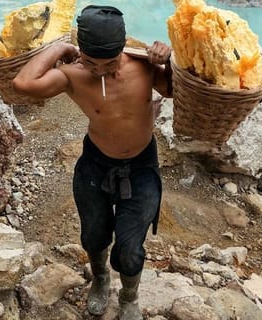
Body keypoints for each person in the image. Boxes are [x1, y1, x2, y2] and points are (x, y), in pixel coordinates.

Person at [13, 4, 172, 319]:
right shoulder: (72, 76)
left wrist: (166, 62)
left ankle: (129, 298)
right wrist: (61, 47)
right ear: (81, 53)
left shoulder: (142, 66)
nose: (100, 71)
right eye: (91, 63)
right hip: (95, 164)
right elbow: (23, 84)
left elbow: (170, 89)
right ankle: (99, 279)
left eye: (109, 63)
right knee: (94, 234)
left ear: (122, 52)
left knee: (130, 248)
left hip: (141, 166)